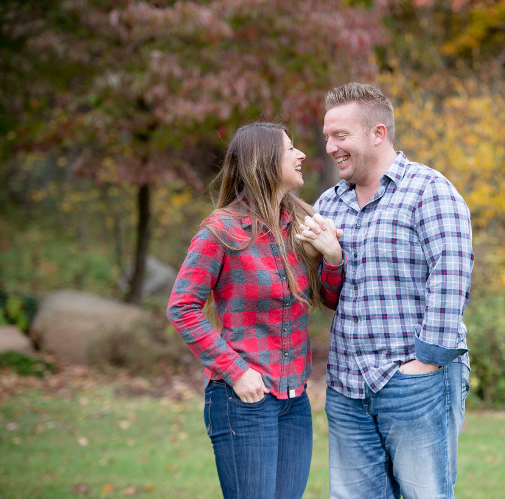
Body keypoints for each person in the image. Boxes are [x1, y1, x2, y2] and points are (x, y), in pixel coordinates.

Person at [302, 82, 474, 498]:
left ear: (377, 134)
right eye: (328, 136)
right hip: (346, 387)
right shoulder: (329, 204)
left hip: (414, 381)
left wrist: (426, 364)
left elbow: (452, 276)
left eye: (341, 136)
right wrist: (330, 260)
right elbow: (328, 299)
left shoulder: (429, 191)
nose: (330, 147)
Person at [167, 122, 344, 499]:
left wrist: (332, 257)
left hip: (294, 399)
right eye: (290, 149)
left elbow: (328, 299)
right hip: (242, 399)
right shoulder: (221, 230)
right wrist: (236, 371)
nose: (301, 156)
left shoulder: (299, 224)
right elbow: (182, 307)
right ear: (264, 162)